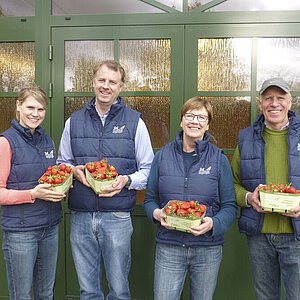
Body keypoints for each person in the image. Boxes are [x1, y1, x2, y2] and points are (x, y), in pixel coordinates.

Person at [57, 59, 154, 299]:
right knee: (88, 290)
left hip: (117, 216)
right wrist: (73, 172)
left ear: (120, 87)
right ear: (93, 83)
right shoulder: (73, 121)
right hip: (81, 215)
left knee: (119, 290)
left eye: (113, 82)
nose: (106, 86)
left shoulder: (135, 122)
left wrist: (126, 181)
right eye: (101, 80)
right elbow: (62, 162)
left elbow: (148, 169)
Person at [143, 96, 237, 300]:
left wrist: (213, 223)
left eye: (201, 117)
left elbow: (229, 206)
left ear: (208, 124)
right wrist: (157, 214)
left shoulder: (218, 159)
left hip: (207, 250)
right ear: (181, 121)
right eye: (190, 115)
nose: (195, 121)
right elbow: (149, 200)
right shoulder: (162, 156)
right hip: (169, 247)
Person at [231, 77, 300, 300]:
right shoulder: (246, 138)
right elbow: (232, 185)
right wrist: (250, 197)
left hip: (296, 237)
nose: (274, 103)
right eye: (268, 98)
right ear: (260, 103)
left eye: (280, 98)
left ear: (290, 103)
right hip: (259, 237)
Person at [0, 85, 65, 299]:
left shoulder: (46, 140)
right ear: (18, 106)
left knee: (45, 294)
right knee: (22, 296)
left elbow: (50, 177)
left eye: (41, 109)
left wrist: (64, 181)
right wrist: (32, 194)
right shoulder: (5, 142)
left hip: (49, 228)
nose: (35, 114)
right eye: (30, 107)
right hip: (21, 233)